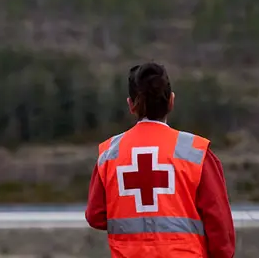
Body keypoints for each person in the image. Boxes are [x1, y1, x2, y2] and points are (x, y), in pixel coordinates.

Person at [85, 62, 235, 258]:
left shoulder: (109, 153)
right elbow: (219, 223)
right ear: (171, 101)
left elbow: (96, 216)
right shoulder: (195, 152)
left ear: (131, 104)